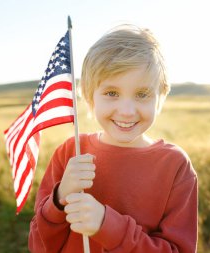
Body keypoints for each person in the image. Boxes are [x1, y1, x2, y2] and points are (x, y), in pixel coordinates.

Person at [28, 25, 198, 253]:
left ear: (161, 98)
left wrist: (106, 226)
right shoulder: (71, 152)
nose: (127, 111)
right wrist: (59, 200)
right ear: (89, 96)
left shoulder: (175, 165)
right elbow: (39, 246)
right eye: (111, 93)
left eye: (142, 94)